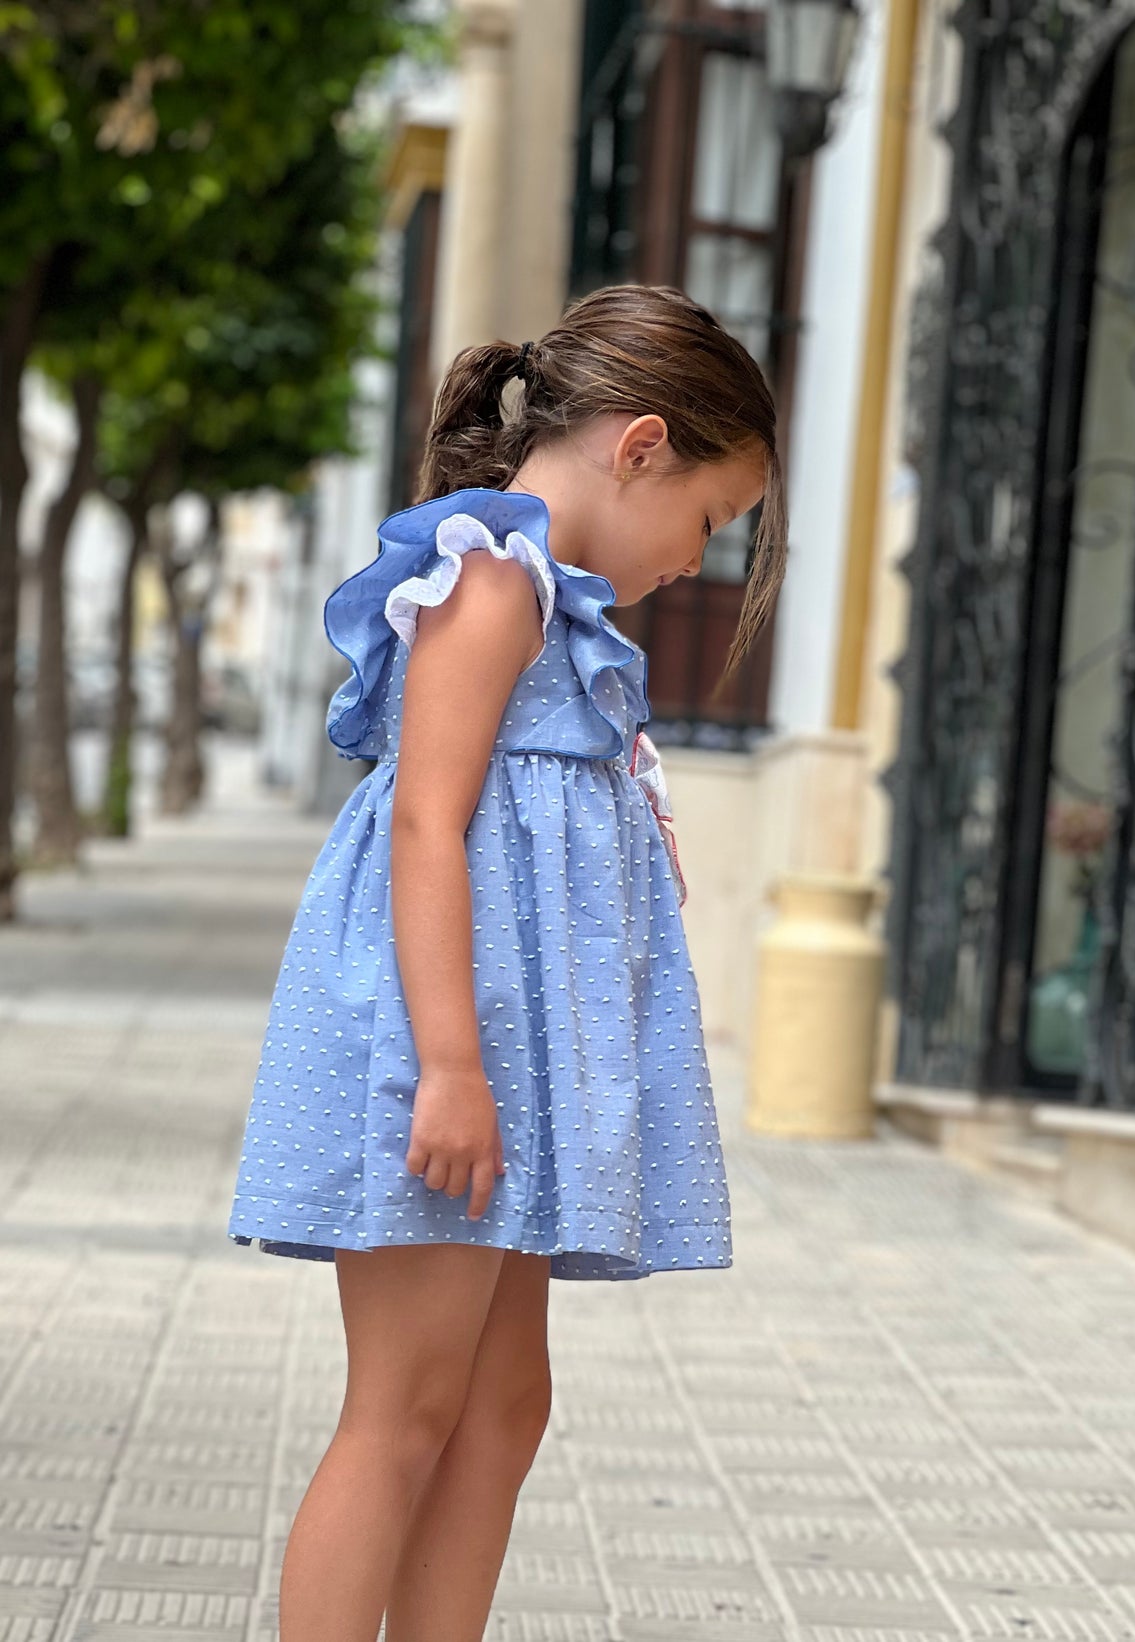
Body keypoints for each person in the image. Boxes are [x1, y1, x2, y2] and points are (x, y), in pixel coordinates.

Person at [224, 282, 785, 1640]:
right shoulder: (488, 583)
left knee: (500, 1405)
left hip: (512, 1053)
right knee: (406, 1406)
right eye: (711, 520)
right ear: (641, 446)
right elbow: (426, 820)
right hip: (449, 1047)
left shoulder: (560, 608)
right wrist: (450, 1067)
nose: (699, 559)